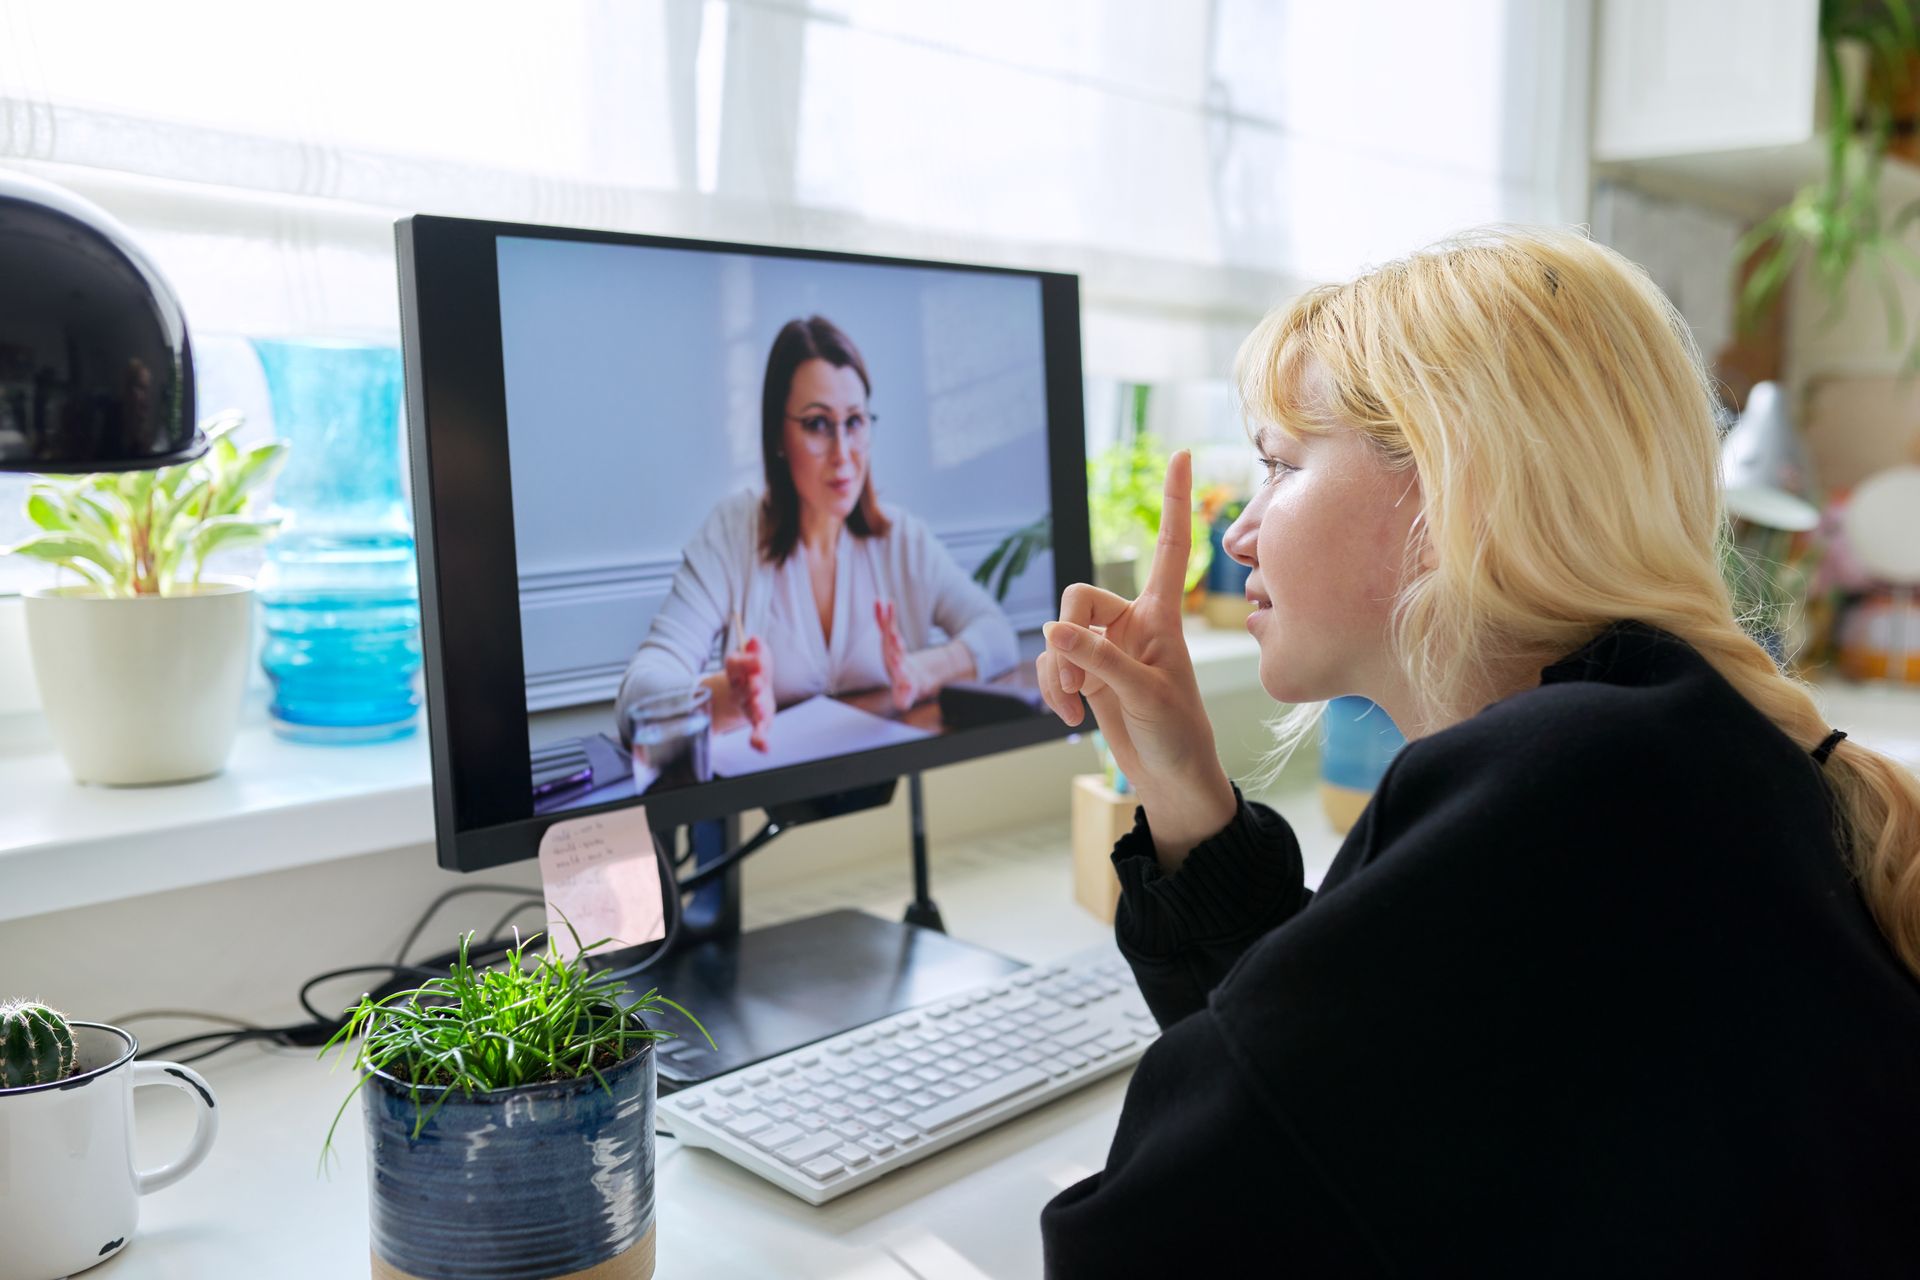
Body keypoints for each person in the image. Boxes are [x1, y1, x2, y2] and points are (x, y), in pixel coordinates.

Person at [1034, 227, 1920, 1275]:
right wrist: (1181, 782)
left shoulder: (1570, 778)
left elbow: (1144, 1240)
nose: (1239, 531)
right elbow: (1343, 1113)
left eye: (1279, 463)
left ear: (1448, 483)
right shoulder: (1675, 744)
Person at [618, 315, 1017, 753]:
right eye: (817, 424)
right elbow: (636, 695)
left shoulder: (902, 540)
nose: (843, 454)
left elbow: (998, 633)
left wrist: (922, 671)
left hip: (883, 774)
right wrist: (727, 696)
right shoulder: (734, 533)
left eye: (855, 422)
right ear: (777, 437)